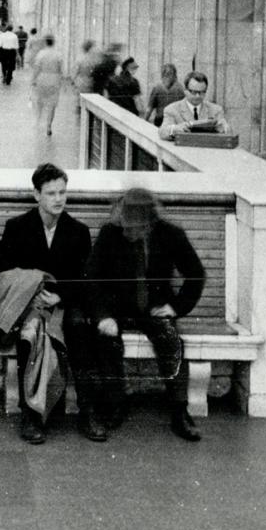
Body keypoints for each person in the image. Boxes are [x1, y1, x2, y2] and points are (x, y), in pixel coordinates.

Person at [84, 187, 206, 441]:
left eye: (136, 227)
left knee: (172, 341)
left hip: (155, 305)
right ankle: (116, 404)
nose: (130, 232)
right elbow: (92, 279)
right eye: (126, 226)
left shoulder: (171, 235)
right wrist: (104, 316)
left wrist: (176, 307)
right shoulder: (110, 233)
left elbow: (196, 274)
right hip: (117, 304)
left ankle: (179, 412)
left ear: (150, 224)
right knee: (105, 341)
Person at [0, 163, 98, 443]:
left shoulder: (78, 231)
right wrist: (30, 291)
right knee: (30, 332)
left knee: (78, 327)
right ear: (36, 195)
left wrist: (62, 295)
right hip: (32, 306)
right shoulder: (17, 228)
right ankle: (32, 416)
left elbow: (88, 282)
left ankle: (88, 412)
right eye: (51, 193)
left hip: (66, 303)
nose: (59, 199)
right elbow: (0, 275)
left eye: (63, 192)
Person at [158, 71, 231, 139]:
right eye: (193, 92)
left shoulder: (216, 110)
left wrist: (225, 128)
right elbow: (162, 132)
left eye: (202, 92)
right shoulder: (172, 109)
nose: (198, 96)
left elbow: (228, 134)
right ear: (185, 91)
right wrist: (175, 128)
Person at [28, 34, 66, 136]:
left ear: (45, 42)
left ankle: (38, 120)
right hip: (54, 80)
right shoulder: (58, 54)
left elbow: (37, 68)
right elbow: (62, 70)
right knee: (52, 104)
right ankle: (49, 125)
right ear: (54, 42)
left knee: (40, 102)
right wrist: (63, 83)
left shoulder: (41, 54)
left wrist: (32, 80)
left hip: (42, 79)